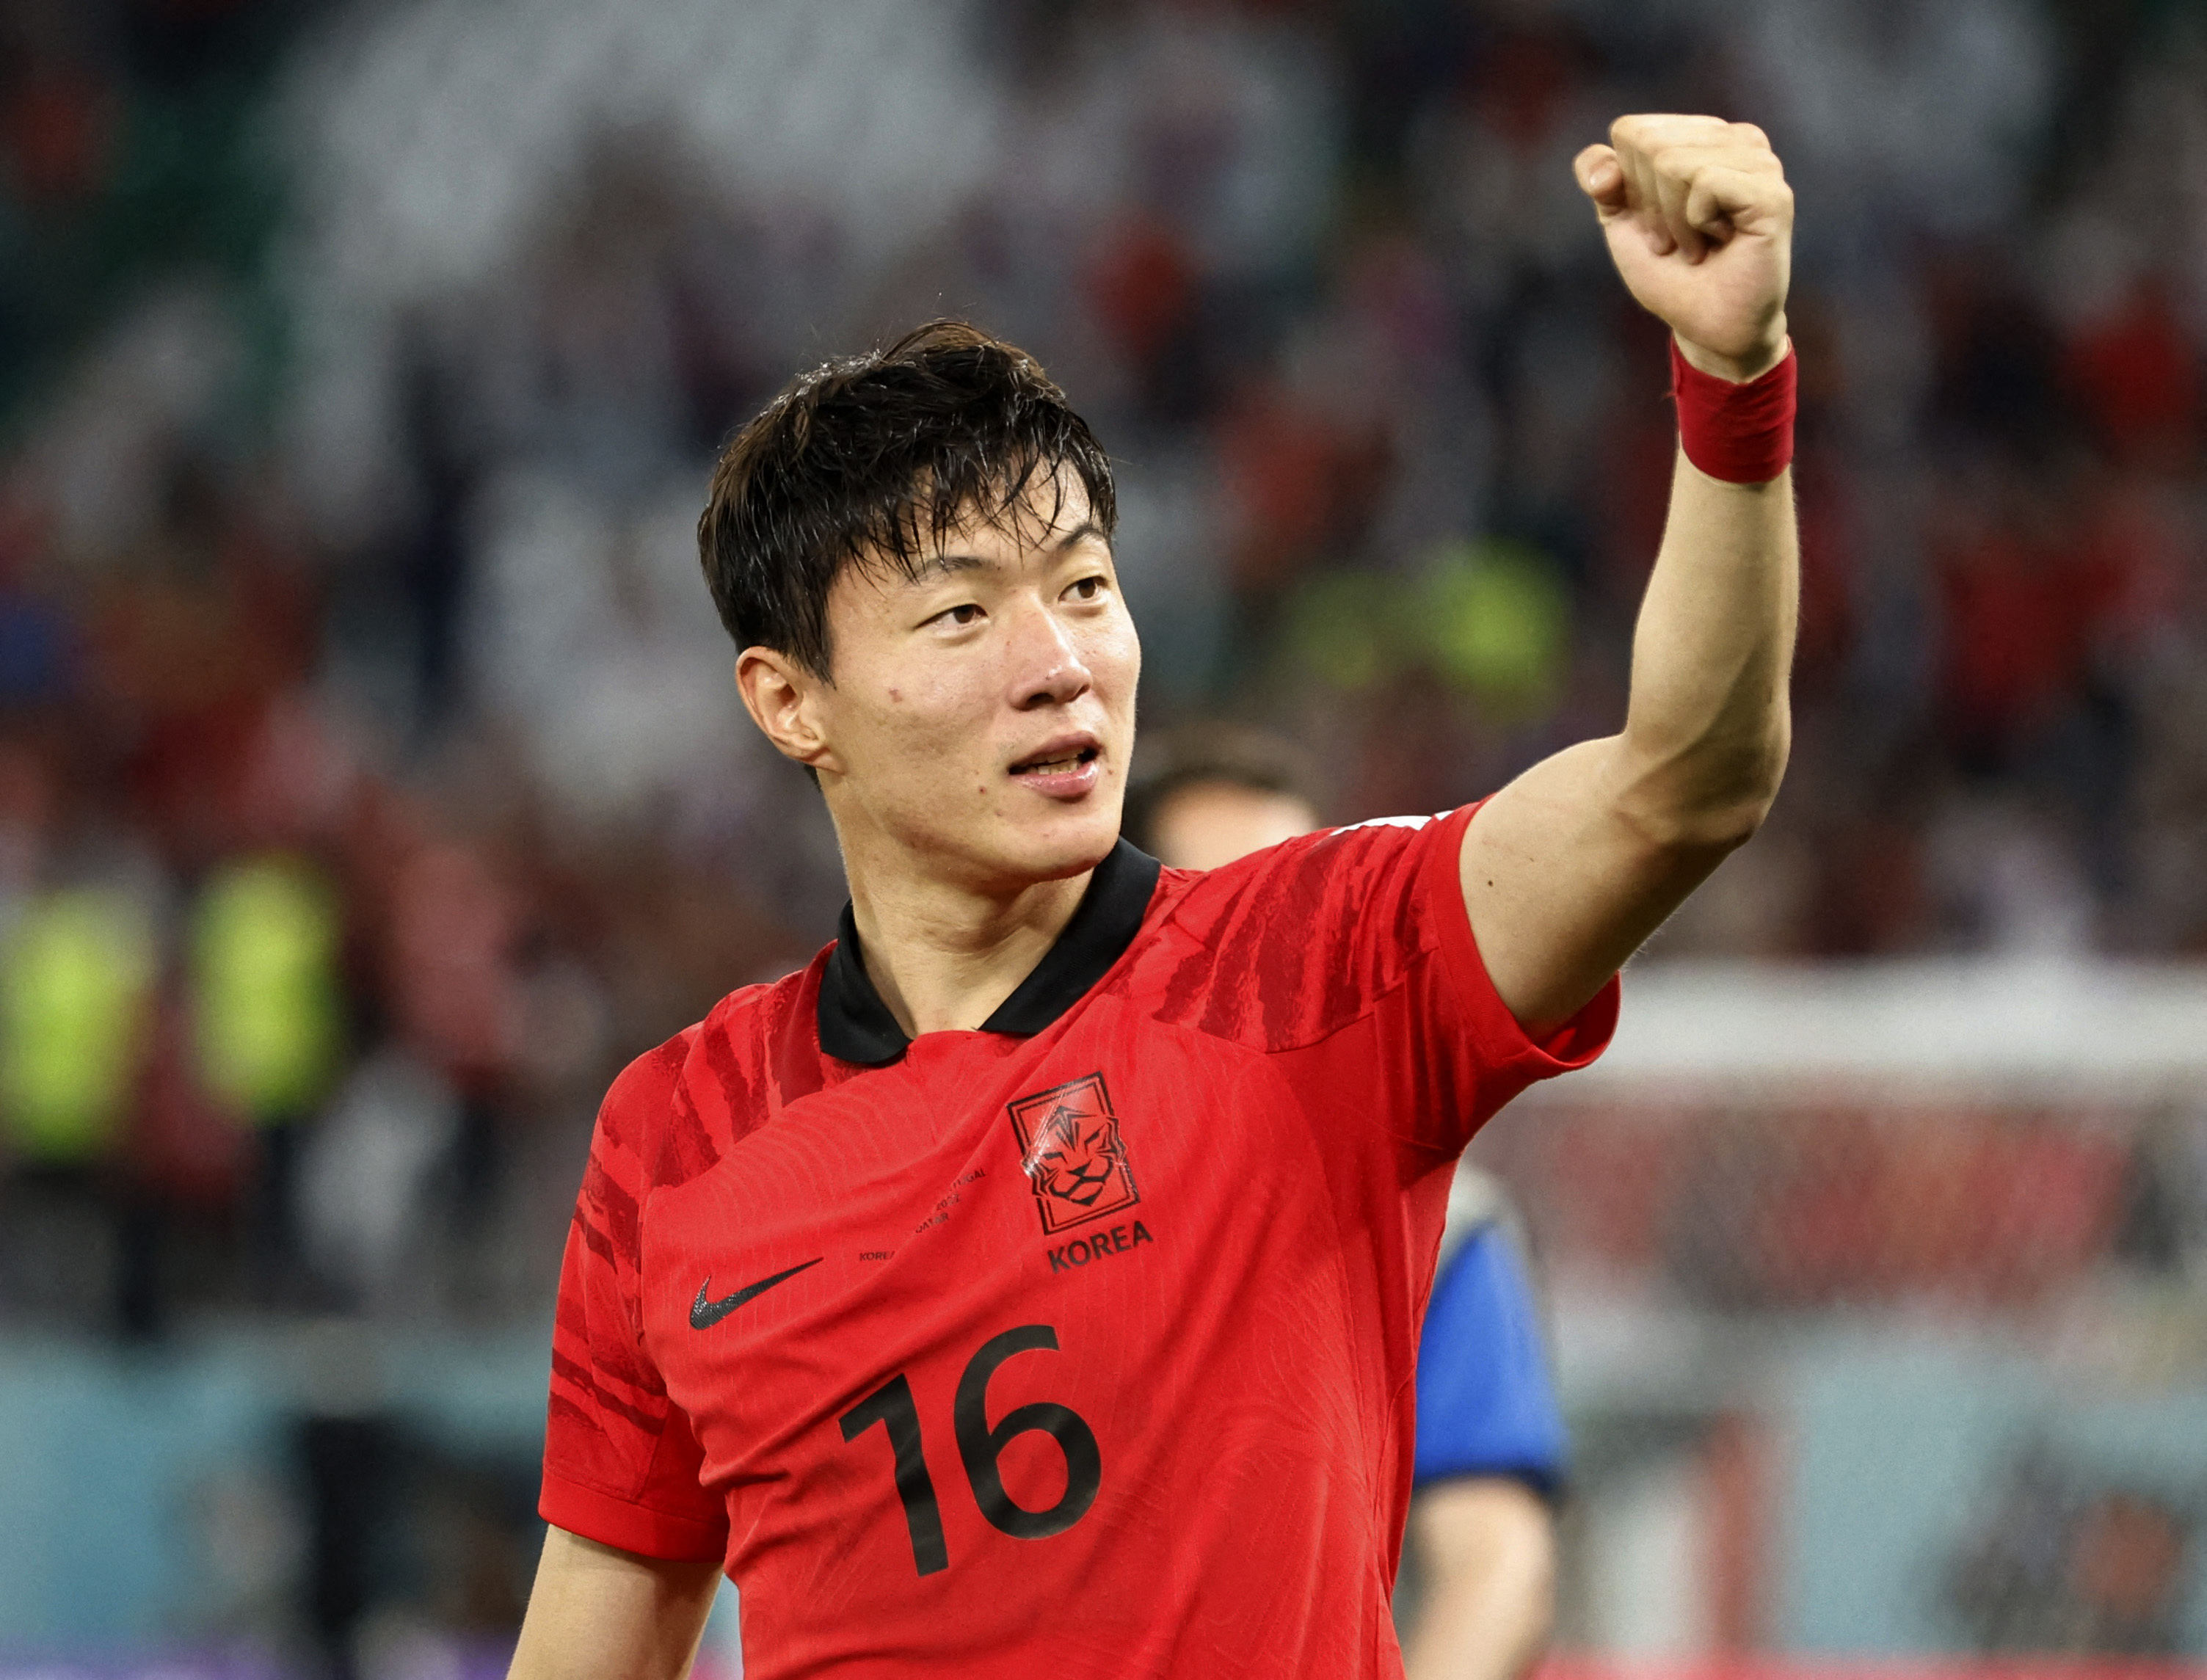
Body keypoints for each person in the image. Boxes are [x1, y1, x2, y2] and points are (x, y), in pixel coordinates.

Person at [509, 114, 1797, 1679]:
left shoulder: (1311, 972)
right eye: (962, 612)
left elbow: (1688, 779)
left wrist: (1734, 389)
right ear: (792, 703)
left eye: (1085, 589)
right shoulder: (677, 1138)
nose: (1057, 664)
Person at [1126, 730, 1566, 1680]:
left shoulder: (1444, 1229)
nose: (1268, 948)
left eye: (1296, 904)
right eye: (1223, 907)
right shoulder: (1023, 1198)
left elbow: (1497, 1567)